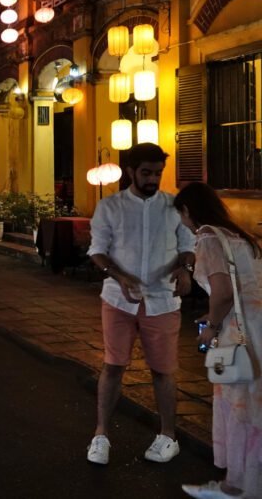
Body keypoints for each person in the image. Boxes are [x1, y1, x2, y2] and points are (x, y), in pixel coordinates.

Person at [85, 143, 196, 466]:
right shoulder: (110, 206)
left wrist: (185, 268)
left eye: (157, 173)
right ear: (131, 171)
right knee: (113, 366)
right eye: (146, 172)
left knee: (163, 371)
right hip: (118, 300)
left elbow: (188, 244)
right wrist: (118, 276)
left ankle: (167, 436)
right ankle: (101, 434)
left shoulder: (174, 206)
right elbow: (97, 250)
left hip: (162, 300)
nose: (152, 179)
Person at [175, 182, 262, 499]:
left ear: (187, 211)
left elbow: (223, 292)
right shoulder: (238, 235)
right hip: (256, 324)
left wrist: (211, 325)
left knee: (240, 403)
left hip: (240, 331)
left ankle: (236, 486)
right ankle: (247, 482)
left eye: (181, 216)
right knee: (255, 405)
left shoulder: (209, 237)